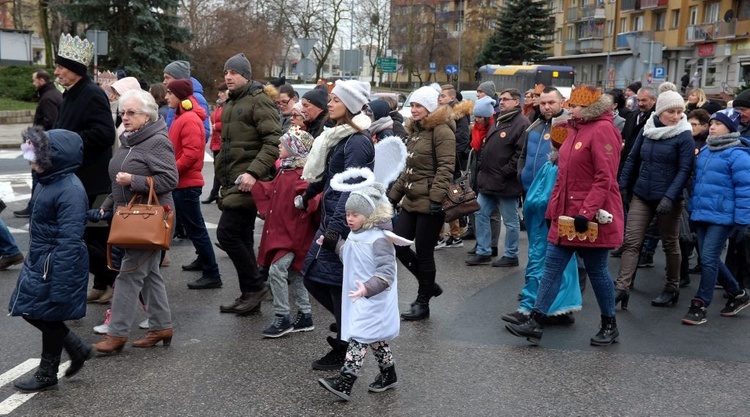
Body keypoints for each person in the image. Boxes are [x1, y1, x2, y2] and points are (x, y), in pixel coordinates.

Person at [505, 85, 624, 346]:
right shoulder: (574, 130)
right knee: (552, 268)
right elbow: (561, 175)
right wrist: (553, 212)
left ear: (590, 107)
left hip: (591, 217)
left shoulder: (604, 130)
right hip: (566, 216)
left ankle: (609, 324)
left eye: (575, 105)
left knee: (597, 271)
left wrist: (586, 212)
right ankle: (535, 321)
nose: (570, 109)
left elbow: (605, 178)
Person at [92, 89, 178, 353]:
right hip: (131, 217)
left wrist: (135, 181)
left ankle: (117, 334)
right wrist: (108, 205)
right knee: (150, 276)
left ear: (147, 115)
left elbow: (170, 180)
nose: (125, 117)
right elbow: (116, 179)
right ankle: (161, 326)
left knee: (128, 275)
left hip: (149, 220)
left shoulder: (157, 141)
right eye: (123, 112)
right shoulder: (130, 139)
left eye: (131, 113)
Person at [8, 127, 92, 392]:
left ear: (53, 158)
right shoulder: (49, 181)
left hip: (55, 263)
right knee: (35, 311)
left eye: (35, 156)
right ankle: (76, 350)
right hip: (43, 259)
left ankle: (48, 372)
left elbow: (70, 240)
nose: (30, 162)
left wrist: (62, 282)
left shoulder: (69, 189)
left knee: (42, 313)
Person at [299, 79, 374, 370]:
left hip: (341, 223)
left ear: (351, 106)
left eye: (336, 100)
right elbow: (330, 176)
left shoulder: (357, 141)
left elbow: (352, 189)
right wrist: (308, 194)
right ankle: (348, 328)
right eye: (330, 99)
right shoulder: (339, 136)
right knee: (313, 276)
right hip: (330, 217)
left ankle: (347, 342)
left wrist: (336, 230)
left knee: (332, 284)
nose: (329, 104)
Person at [318, 180, 402, 401]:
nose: (349, 218)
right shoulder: (357, 235)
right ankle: (389, 374)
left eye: (355, 214)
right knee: (373, 338)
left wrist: (367, 288)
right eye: (348, 214)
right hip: (360, 297)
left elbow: (386, 274)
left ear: (370, 214)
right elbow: (350, 256)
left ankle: (344, 383)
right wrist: (333, 245)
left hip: (374, 299)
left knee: (358, 337)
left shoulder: (380, 240)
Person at [51, 33, 118, 308]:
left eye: (61, 67)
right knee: (87, 236)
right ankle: (102, 284)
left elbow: (104, 133)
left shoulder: (91, 94)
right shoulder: (70, 94)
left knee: (90, 237)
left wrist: (69, 142)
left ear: (75, 69)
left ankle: (111, 280)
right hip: (75, 179)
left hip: (92, 181)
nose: (57, 72)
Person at [614, 90, 695, 309]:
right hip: (642, 193)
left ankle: (672, 287)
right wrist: (622, 184)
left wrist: (670, 197)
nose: (676, 116)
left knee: (670, 243)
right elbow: (632, 157)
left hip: (669, 198)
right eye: (671, 111)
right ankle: (622, 288)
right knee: (631, 241)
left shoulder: (684, 134)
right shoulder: (648, 129)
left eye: (679, 111)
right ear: (660, 111)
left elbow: (685, 169)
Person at [215, 53, 281, 316]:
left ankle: (255, 287)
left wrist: (253, 173)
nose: (228, 77)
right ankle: (249, 294)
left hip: (249, 182)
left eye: (234, 72)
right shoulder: (232, 102)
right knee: (240, 235)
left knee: (226, 234)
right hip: (233, 180)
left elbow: (273, 142)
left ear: (246, 75)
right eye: (226, 73)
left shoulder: (259, 100)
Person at [501, 122, 582, 325]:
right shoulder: (554, 165)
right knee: (560, 266)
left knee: (541, 263)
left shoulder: (557, 167)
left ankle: (530, 308)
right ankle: (560, 308)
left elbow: (540, 200)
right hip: (553, 223)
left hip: (548, 225)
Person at [389, 85, 455, 321]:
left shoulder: (442, 131)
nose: (414, 110)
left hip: (430, 203)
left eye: (418, 106)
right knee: (397, 244)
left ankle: (422, 302)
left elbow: (446, 167)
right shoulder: (415, 131)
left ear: (430, 107)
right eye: (413, 105)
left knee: (425, 253)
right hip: (411, 200)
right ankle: (429, 285)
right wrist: (391, 198)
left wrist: (436, 199)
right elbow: (407, 170)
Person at [682, 108, 750, 325]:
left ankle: (700, 303)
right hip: (703, 213)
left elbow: (745, 189)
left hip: (723, 216)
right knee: (709, 258)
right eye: (711, 123)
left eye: (718, 124)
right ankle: (737, 294)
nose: (712, 126)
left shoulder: (738, 154)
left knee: (709, 258)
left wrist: (742, 221)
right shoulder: (706, 151)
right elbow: (699, 184)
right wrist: (693, 207)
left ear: (730, 128)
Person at [251, 127, 319, 338]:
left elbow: (314, 199)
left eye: (283, 144)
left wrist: (305, 201)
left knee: (276, 271)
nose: (279, 147)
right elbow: (272, 190)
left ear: (294, 149)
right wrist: (255, 185)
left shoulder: (301, 175)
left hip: (292, 236)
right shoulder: (286, 170)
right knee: (294, 273)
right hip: (286, 233)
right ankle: (305, 314)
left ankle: (283, 316)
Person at [164, 79, 222, 290]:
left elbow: (190, 155)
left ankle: (212, 273)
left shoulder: (188, 119)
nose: (166, 97)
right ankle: (203, 262)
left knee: (196, 229)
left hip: (185, 184)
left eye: (170, 93)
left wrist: (170, 172)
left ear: (180, 96)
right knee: (193, 227)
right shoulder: (184, 116)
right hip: (182, 183)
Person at [467, 88, 528, 267]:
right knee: (480, 212)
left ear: (516, 102)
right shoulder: (500, 120)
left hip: (505, 182)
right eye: (500, 99)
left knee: (510, 220)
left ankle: (511, 255)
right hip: (488, 179)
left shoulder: (521, 123)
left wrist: (505, 171)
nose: (501, 102)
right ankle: (484, 251)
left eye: (506, 99)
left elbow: (520, 153)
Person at [13, 70, 63, 219]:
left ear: (41, 80)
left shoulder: (47, 97)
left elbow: (49, 122)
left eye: (34, 80)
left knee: (37, 176)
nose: (33, 83)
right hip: (40, 144)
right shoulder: (52, 94)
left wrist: (34, 139)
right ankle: (34, 206)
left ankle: (33, 207)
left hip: (40, 145)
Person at [435, 85, 472, 249]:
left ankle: (448, 236)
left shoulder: (458, 114)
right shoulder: (443, 112)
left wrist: (449, 157)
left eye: (442, 96)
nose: (439, 98)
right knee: (448, 197)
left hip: (451, 162)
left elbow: (462, 138)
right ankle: (454, 235)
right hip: (446, 160)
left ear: (451, 98)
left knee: (449, 197)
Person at [162, 60, 211, 143]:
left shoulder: (196, 99)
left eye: (167, 78)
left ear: (179, 78)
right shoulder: (176, 98)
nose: (164, 82)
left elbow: (203, 134)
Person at [202, 83, 227, 204]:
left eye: (222, 92)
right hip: (217, 142)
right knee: (218, 169)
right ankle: (215, 193)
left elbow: (230, 122)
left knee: (221, 169)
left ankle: (216, 193)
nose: (219, 94)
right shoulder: (220, 105)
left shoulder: (228, 105)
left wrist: (217, 126)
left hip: (223, 142)